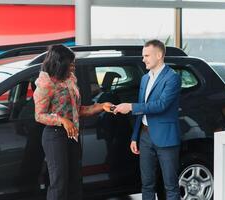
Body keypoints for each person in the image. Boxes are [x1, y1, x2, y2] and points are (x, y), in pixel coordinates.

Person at [33, 44, 112, 200]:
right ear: (59, 62)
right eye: (71, 63)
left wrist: (101, 106)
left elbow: (78, 111)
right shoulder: (46, 83)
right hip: (55, 136)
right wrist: (62, 120)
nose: (73, 66)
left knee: (75, 182)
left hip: (72, 134)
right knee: (59, 184)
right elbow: (39, 115)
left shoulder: (69, 79)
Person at [113, 39, 181, 200]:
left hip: (166, 137)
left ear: (159, 55)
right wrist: (135, 136)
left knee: (170, 186)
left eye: (147, 55)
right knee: (146, 184)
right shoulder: (145, 78)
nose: (143, 59)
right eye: (143, 56)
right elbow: (143, 109)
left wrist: (131, 106)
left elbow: (161, 105)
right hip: (145, 136)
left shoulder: (172, 78)